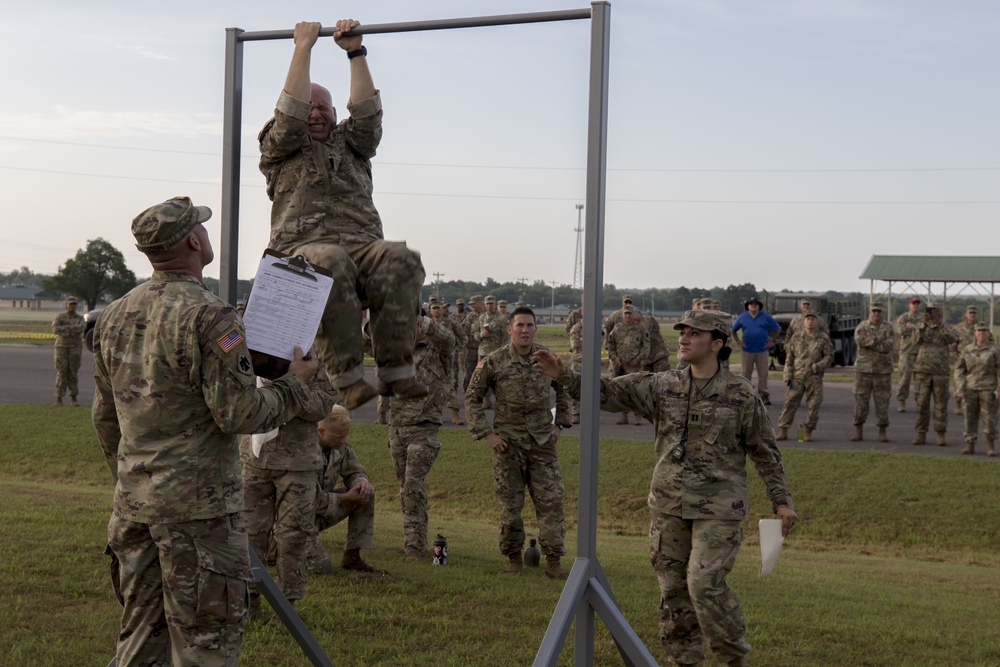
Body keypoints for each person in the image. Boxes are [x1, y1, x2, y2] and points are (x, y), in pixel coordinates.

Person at [93, 196, 319, 665]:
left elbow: (106, 416)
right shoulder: (212, 316)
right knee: (204, 646)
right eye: (202, 228)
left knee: (140, 638)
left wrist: (137, 477)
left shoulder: (114, 314)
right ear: (195, 241)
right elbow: (239, 415)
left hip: (134, 506)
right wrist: (295, 385)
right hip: (200, 516)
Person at [531, 310, 797, 667]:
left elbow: (765, 451)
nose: (684, 338)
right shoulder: (663, 384)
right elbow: (609, 392)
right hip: (668, 504)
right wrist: (564, 374)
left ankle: (733, 660)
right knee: (673, 591)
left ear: (717, 344)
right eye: (682, 331)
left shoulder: (740, 394)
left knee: (704, 584)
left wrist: (781, 501)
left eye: (694, 333)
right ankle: (683, 661)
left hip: (718, 508)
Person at [258, 19, 426, 411]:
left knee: (402, 257)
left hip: (361, 249)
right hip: (300, 253)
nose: (315, 114)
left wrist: (355, 52)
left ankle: (397, 371)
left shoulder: (353, 145)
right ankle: (348, 379)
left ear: (335, 112)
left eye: (324, 107)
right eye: (309, 107)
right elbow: (289, 118)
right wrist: (303, 48)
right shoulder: (280, 148)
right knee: (330, 260)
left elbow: (367, 115)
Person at [465, 306, 573, 579]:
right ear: (509, 329)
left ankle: (553, 561)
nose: (525, 330)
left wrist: (560, 425)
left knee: (551, 502)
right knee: (510, 505)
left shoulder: (547, 359)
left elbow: (564, 389)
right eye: (520, 325)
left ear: (536, 328)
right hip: (508, 445)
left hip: (542, 444)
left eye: (529, 325)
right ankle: (513, 558)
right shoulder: (494, 361)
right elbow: (472, 399)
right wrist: (487, 434)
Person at [239, 362, 337, 620]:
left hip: (298, 462)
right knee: (248, 535)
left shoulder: (310, 359)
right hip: (255, 459)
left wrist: (288, 387)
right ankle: (250, 603)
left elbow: (323, 405)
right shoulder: (250, 353)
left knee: (294, 535)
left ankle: (286, 609)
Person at [390, 313, 455, 560]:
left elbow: (449, 342)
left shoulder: (438, 350)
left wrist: (424, 321)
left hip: (424, 427)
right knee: (404, 488)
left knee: (413, 485)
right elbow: (366, 342)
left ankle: (413, 548)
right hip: (397, 427)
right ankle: (413, 539)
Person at [311, 405, 387, 575]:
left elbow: (355, 471)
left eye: (346, 436)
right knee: (320, 568)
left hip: (319, 513)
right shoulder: (305, 451)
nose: (343, 441)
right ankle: (275, 548)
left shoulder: (340, 445)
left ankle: (353, 556)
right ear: (320, 431)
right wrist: (345, 497)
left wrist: (361, 483)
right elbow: (308, 500)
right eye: (338, 437)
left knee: (365, 494)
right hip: (296, 519)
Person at [775, 310, 833, 442]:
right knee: (790, 403)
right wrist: (787, 375)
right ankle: (783, 430)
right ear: (803, 321)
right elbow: (789, 358)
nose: (810, 321)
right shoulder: (796, 337)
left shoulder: (823, 338)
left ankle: (808, 431)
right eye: (808, 319)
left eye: (813, 319)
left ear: (817, 322)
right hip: (797, 376)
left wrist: (818, 366)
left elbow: (829, 356)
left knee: (814, 404)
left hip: (814, 376)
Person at [912, 302, 958, 446]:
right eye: (931, 311)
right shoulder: (921, 326)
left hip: (940, 372)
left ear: (941, 312)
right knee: (921, 405)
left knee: (941, 405)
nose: (933, 313)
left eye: (936, 311)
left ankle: (941, 434)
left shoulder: (946, 327)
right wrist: (923, 325)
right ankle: (921, 434)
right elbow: (914, 341)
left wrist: (940, 325)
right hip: (922, 371)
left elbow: (952, 339)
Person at [851, 303, 895, 443]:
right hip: (863, 371)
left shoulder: (888, 327)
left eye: (879, 312)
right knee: (860, 402)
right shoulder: (862, 326)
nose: (876, 314)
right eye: (874, 311)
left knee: (882, 403)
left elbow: (889, 345)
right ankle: (858, 430)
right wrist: (878, 340)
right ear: (869, 312)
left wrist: (870, 342)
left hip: (882, 372)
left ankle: (883, 431)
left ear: (882, 313)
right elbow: (860, 341)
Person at [954, 323, 1000, 456]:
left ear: (988, 333)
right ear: (975, 333)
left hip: (989, 389)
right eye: (979, 331)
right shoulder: (967, 349)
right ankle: (970, 445)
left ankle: (990, 446)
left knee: (990, 419)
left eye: (984, 331)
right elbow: (959, 369)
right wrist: (960, 387)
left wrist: (998, 388)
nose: (981, 333)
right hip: (970, 388)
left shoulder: (995, 350)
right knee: (969, 418)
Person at [731, 297, 780, 405]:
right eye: (751, 304)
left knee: (763, 374)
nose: (753, 305)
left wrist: (773, 341)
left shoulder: (766, 317)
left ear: (759, 306)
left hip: (762, 350)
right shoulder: (742, 317)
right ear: (748, 306)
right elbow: (733, 330)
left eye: (756, 304)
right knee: (746, 374)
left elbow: (777, 328)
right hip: (747, 350)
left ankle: (764, 395)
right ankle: (745, 394)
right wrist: (738, 341)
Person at [606, 305, 649, 425]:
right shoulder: (617, 328)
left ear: (634, 314)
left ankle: (638, 416)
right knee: (620, 391)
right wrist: (614, 358)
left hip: (634, 365)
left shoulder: (640, 328)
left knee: (636, 391)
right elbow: (610, 344)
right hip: (620, 365)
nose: (628, 316)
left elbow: (646, 345)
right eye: (626, 313)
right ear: (622, 315)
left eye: (630, 313)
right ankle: (623, 415)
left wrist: (638, 358)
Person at [433, 299, 467, 425]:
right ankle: (434, 416)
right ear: (430, 311)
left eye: (438, 308)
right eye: (434, 308)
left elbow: (463, 338)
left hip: (447, 362)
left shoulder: (451, 323)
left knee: (449, 388)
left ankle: (455, 415)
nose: (436, 311)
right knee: (431, 390)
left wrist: (454, 350)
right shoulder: (427, 325)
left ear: (442, 310)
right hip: (431, 363)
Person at [52, 295, 85, 406]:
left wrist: (65, 330)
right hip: (61, 348)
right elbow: (56, 329)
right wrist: (72, 329)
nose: (72, 306)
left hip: (75, 348)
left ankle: (73, 398)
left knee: (73, 373)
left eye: (74, 304)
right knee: (61, 373)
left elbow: (81, 328)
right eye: (70, 304)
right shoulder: (60, 317)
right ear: (66, 305)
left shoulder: (80, 318)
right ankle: (58, 398)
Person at [895, 297, 923, 412]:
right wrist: (918, 329)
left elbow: (925, 332)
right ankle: (902, 402)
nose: (915, 305)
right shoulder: (904, 317)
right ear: (909, 305)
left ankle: (920, 403)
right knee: (904, 379)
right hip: (906, 353)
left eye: (917, 304)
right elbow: (901, 331)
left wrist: (912, 327)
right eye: (913, 303)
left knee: (920, 380)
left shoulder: (923, 318)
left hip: (920, 353)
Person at [952, 305, 980, 415]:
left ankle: (973, 407)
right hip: (962, 359)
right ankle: (958, 404)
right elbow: (953, 343)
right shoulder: (959, 327)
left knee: (976, 384)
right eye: (970, 313)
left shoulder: (981, 327)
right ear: (966, 314)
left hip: (977, 360)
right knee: (959, 382)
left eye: (974, 313)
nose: (972, 315)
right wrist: (955, 357)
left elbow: (989, 342)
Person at [462, 295, 485, 392]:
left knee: (483, 374)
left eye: (474, 304)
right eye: (471, 304)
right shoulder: (470, 316)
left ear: (480, 302)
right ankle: (468, 394)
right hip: (472, 350)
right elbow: (463, 330)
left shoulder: (488, 316)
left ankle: (483, 397)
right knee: (469, 373)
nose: (472, 306)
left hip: (484, 351)